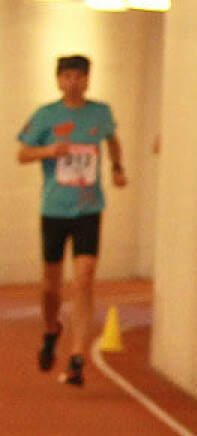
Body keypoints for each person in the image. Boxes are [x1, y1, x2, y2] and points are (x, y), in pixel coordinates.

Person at [17, 54, 127, 386]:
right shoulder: (46, 115)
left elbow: (112, 140)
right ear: (58, 80)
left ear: (87, 80)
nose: (73, 82)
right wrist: (48, 152)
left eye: (79, 77)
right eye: (67, 76)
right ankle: (52, 330)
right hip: (54, 209)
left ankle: (77, 355)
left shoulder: (100, 113)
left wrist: (118, 167)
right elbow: (22, 153)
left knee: (84, 279)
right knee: (51, 285)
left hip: (89, 208)